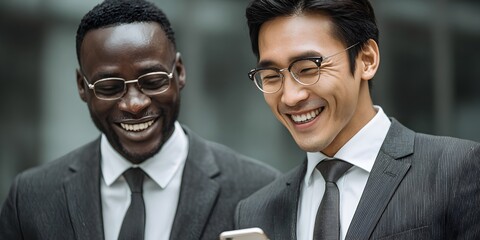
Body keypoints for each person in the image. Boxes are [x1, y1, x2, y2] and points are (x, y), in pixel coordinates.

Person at [0, 0, 280, 239]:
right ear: (82, 87)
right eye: (110, 87)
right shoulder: (30, 199)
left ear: (179, 72)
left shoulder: (259, 190)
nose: (134, 104)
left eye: (153, 81)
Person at [234, 0, 480, 239]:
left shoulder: (456, 171)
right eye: (271, 76)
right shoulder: (255, 211)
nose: (290, 97)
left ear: (367, 60)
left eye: (308, 69)